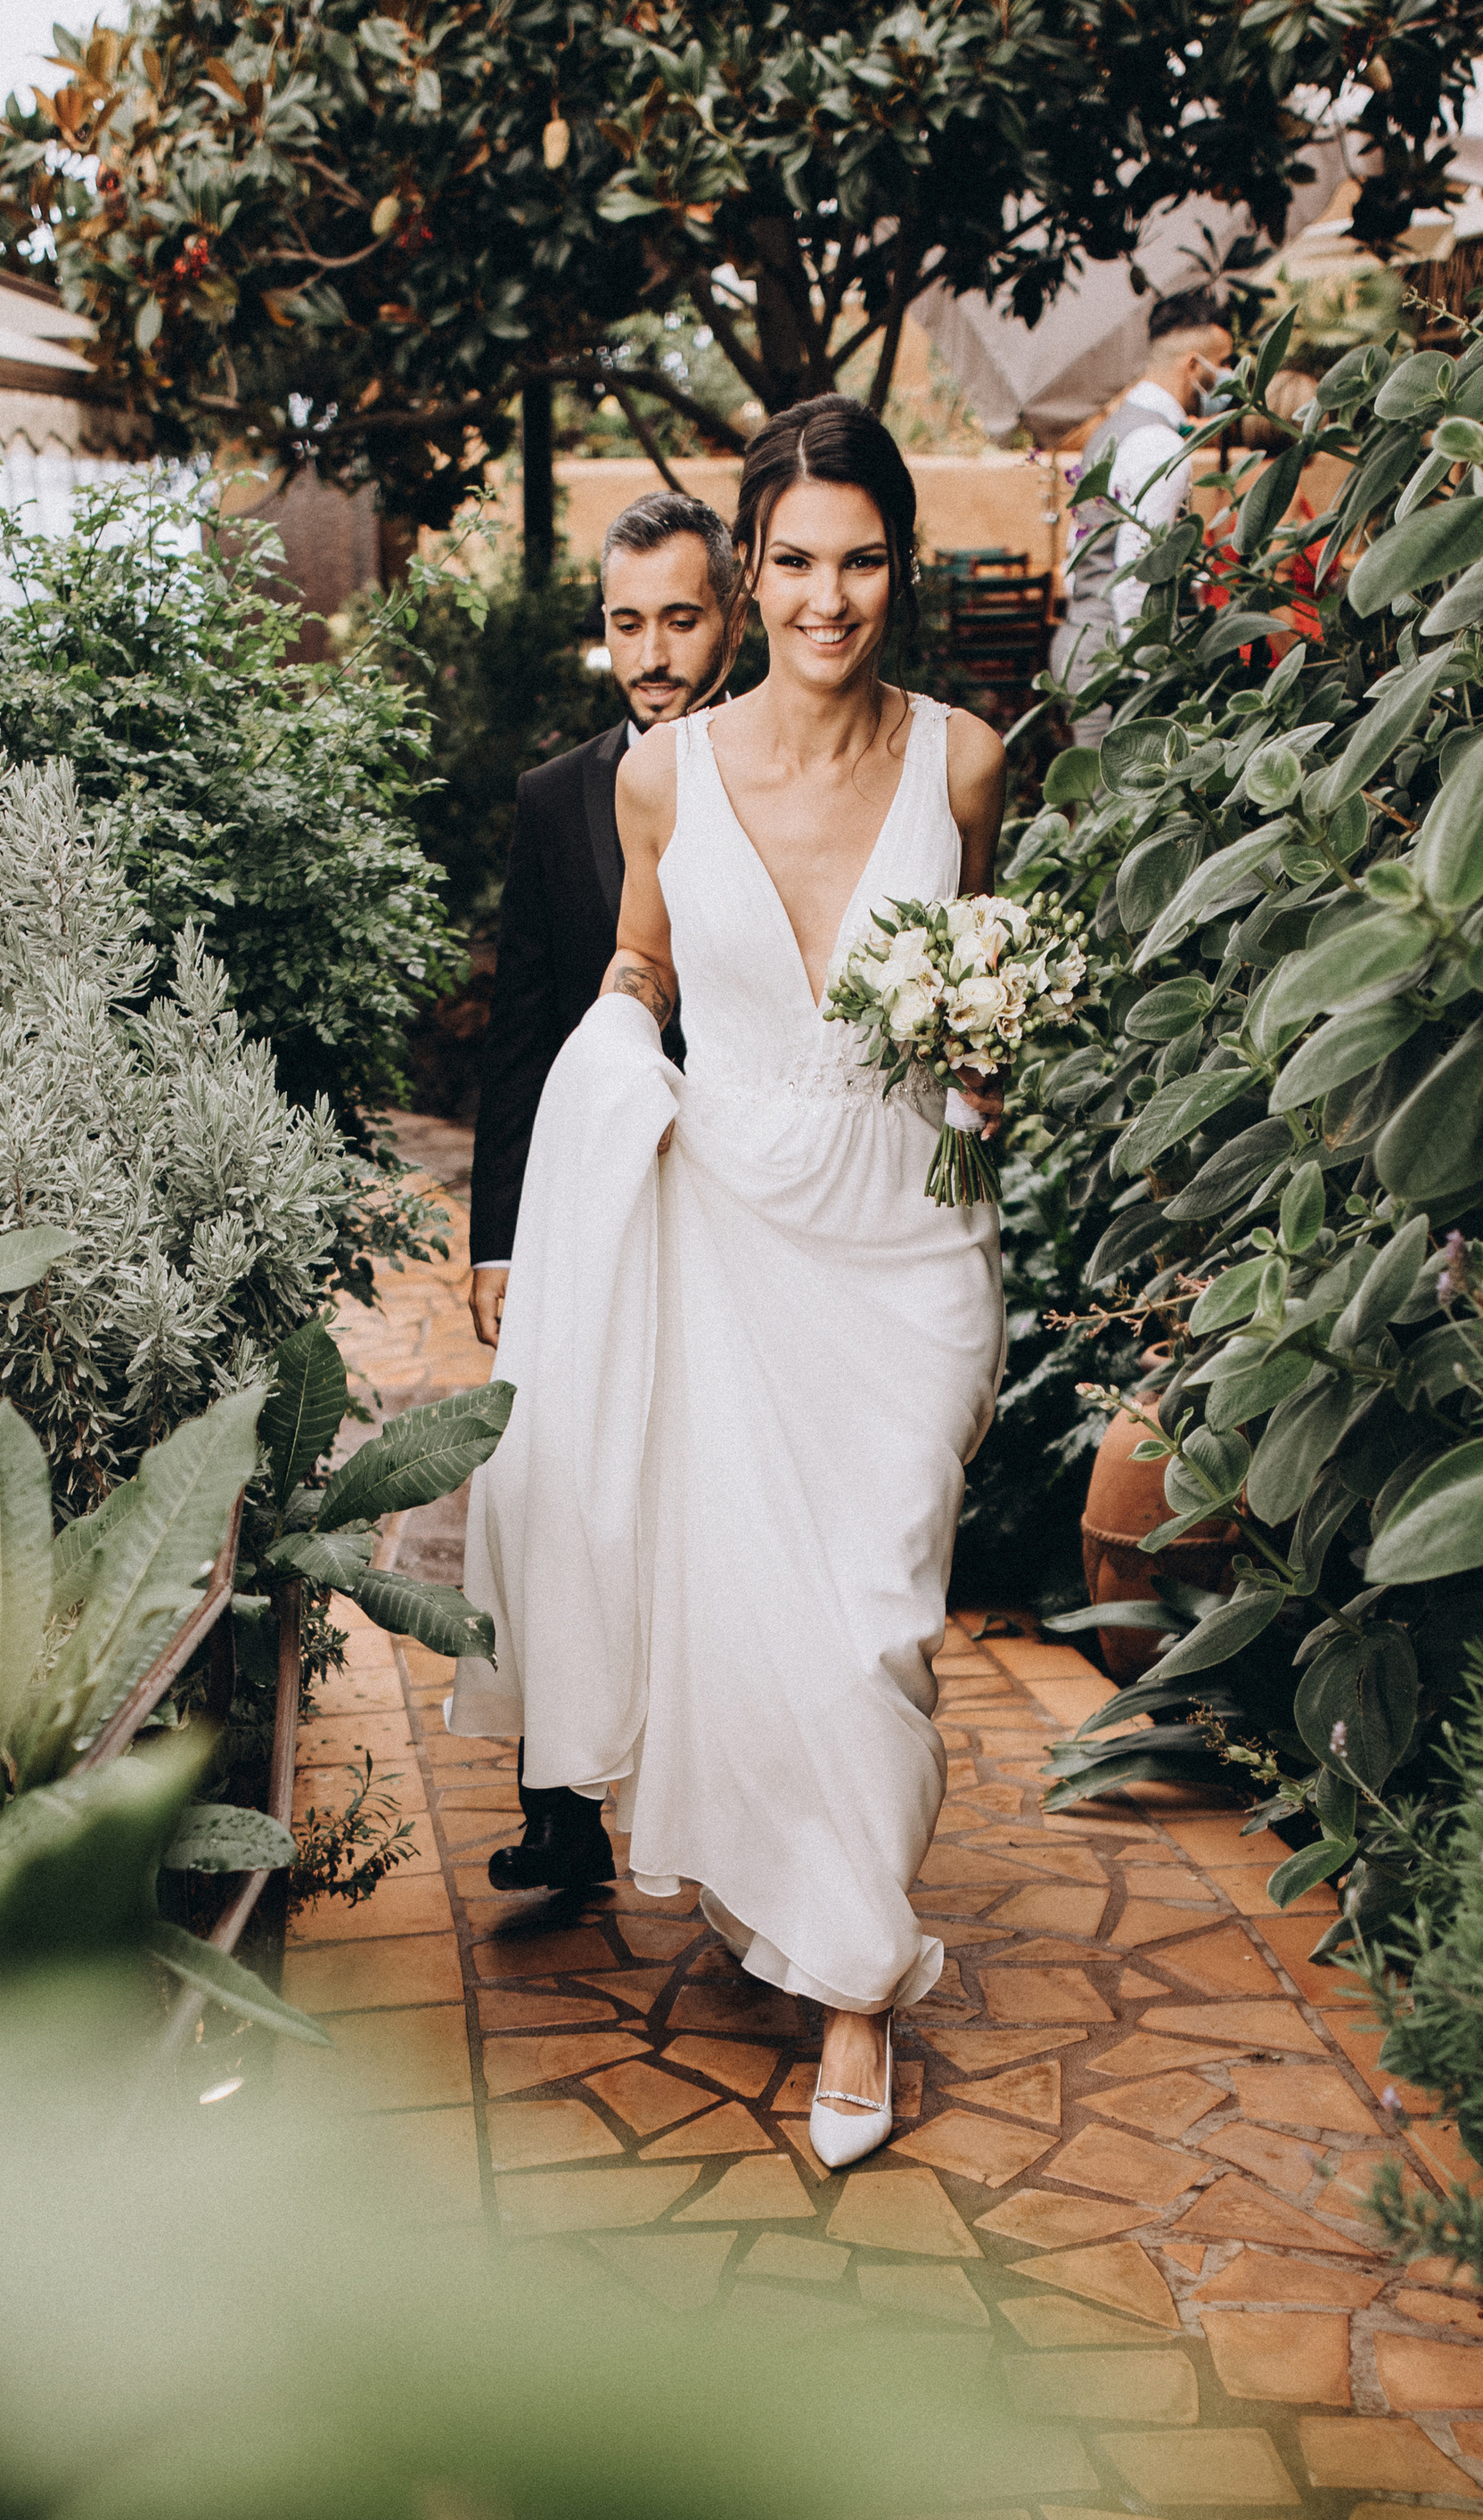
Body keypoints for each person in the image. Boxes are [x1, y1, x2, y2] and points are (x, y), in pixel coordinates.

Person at [451, 396, 1008, 2174]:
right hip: (733, 1220)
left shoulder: (968, 762)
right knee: (762, 1609)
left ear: (896, 566)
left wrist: (992, 1057)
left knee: (875, 1606)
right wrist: (615, 1074)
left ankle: (845, 1948)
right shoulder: (657, 775)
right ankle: (841, 1960)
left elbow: (980, 973)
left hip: (909, 1244)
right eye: (791, 562)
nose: (824, 600)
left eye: (858, 562)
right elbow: (633, 963)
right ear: (745, 565)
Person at [467, 488, 741, 1894]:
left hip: (745, 1191)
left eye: (679, 618)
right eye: (626, 623)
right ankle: (561, 1806)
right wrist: (499, 1238)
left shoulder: (780, 771)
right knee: (553, 1475)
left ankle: (727, 1797)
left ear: (732, 614)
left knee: (705, 1492)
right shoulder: (553, 799)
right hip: (587, 1194)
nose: (651, 650)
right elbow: (520, 1028)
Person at [1049, 291, 1233, 740]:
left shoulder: (1112, 429)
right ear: (1194, 366)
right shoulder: (1159, 445)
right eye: (1222, 364)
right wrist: (1148, 675)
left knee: (1098, 800)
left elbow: (1080, 553)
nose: (1227, 378)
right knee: (1123, 803)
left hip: (1082, 640)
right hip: (1117, 658)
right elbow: (1139, 571)